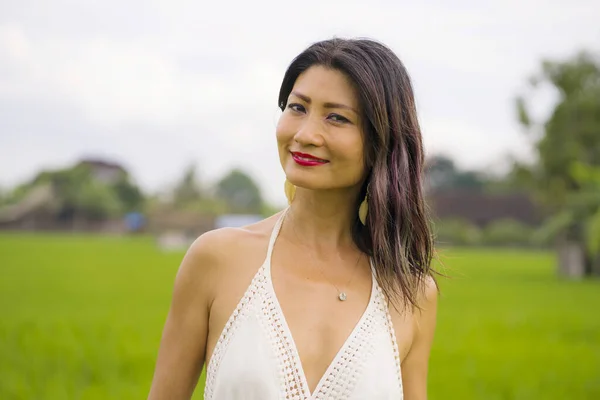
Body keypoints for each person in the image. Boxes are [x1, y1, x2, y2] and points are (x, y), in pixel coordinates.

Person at [148, 37, 439, 400]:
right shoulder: (217, 258)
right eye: (297, 108)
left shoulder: (410, 292)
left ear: (383, 138)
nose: (304, 135)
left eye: (336, 117)